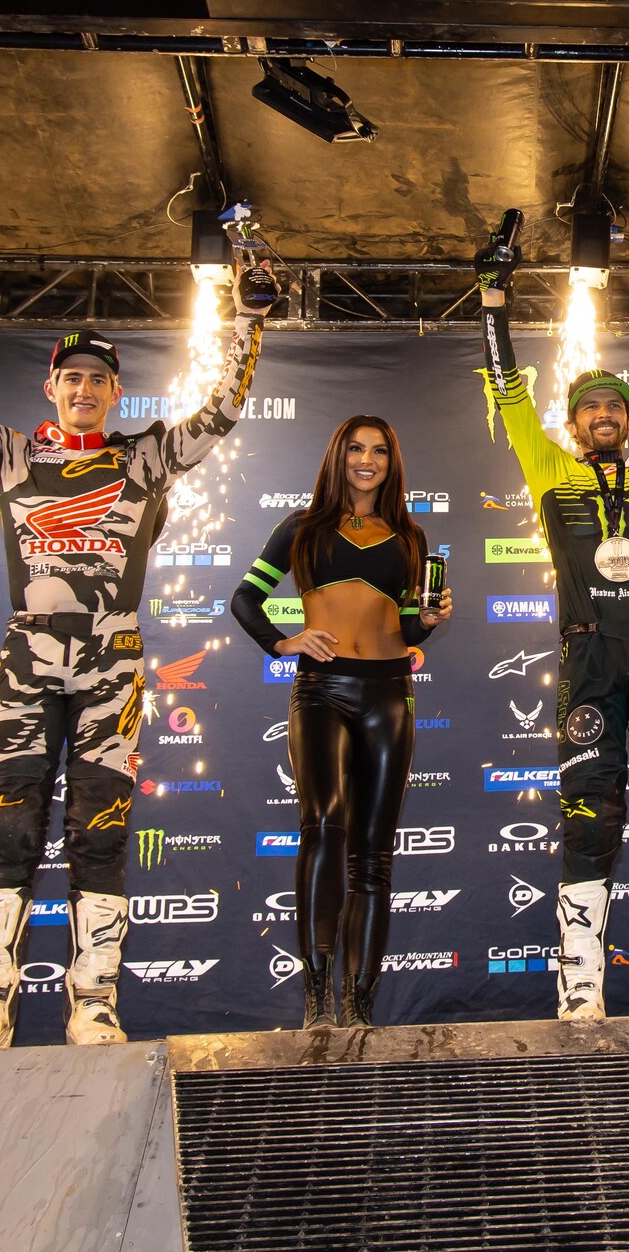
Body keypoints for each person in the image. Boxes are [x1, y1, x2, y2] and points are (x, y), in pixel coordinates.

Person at [0, 214, 272, 1050]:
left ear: (116, 392)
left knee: (99, 829)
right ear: (52, 389)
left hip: (114, 663)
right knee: (9, 826)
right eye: (73, 378)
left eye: (101, 380)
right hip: (28, 659)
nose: (86, 390)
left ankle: (94, 1002)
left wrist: (247, 321)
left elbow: (223, 412)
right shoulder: (13, 457)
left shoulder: (141, 458)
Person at [475, 229, 629, 1019]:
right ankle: (581, 990)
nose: (605, 414)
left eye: (615, 405)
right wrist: (493, 300)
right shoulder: (550, 468)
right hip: (587, 657)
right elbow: (508, 390)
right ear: (575, 423)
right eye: (591, 408)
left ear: (628, 417)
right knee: (588, 811)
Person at [230, 416, 453, 1029]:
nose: (367, 459)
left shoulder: (410, 535)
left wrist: (427, 624)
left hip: (390, 693)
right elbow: (243, 599)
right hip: (320, 690)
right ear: (338, 456)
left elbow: (407, 627)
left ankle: (358, 1006)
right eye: (356, 448)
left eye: (380, 450)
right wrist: (284, 644)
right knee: (324, 824)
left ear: (391, 463)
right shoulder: (301, 527)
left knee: (374, 856)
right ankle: (316, 1000)